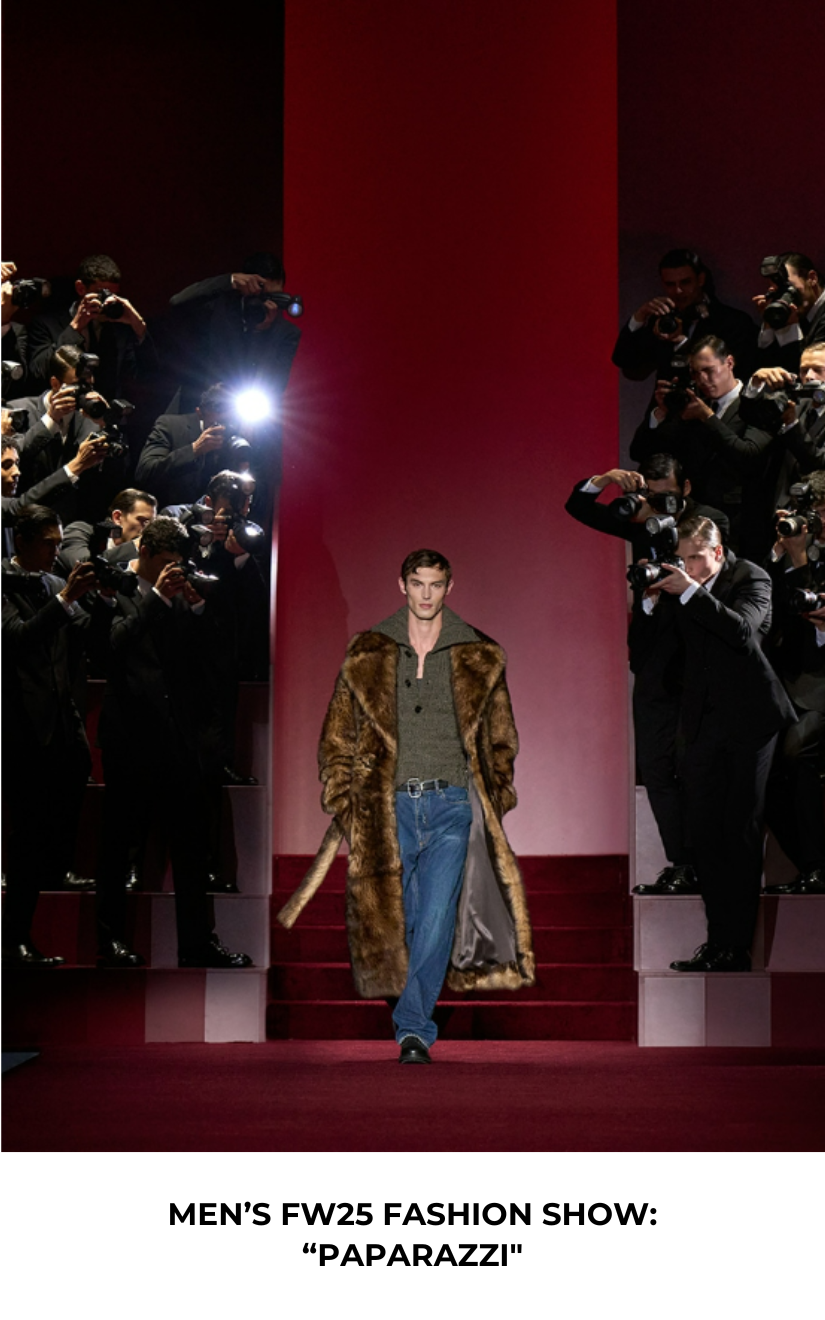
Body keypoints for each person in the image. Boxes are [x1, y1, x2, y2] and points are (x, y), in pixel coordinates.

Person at [277, 548, 535, 1063]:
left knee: (437, 917)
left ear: (449, 587)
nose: (425, 594)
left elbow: (501, 739)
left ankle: (413, 1029)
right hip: (388, 808)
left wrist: (495, 796)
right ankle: (412, 1012)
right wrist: (345, 801)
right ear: (402, 586)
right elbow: (337, 736)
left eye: (435, 584)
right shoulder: (368, 652)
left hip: (452, 806)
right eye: (417, 583)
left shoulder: (479, 655)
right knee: (409, 922)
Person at [637, 516, 796, 971]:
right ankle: (718, 940)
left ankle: (736, 947)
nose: (687, 566)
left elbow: (743, 632)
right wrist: (649, 603)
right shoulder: (678, 588)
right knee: (704, 832)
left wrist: (691, 591)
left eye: (696, 557)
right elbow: (649, 653)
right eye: (682, 558)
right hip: (702, 723)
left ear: (718, 552)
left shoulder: (751, 577)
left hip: (752, 720)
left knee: (740, 829)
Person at [565, 453, 728, 895]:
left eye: (667, 495)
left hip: (698, 665)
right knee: (655, 768)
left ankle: (709, 860)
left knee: (694, 766)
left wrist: (662, 525)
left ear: (686, 488)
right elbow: (578, 508)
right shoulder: (641, 522)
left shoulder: (709, 523)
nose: (659, 504)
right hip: (654, 661)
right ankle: (682, 864)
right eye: (652, 496)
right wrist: (605, 480)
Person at [95, 515, 252, 967]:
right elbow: (110, 647)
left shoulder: (182, 593)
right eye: (165, 561)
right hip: (129, 737)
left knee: (191, 845)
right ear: (144, 552)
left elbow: (210, 660)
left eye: (177, 563)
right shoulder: (117, 587)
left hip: (178, 737)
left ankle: (197, 943)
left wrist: (199, 609)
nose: (172, 570)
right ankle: (110, 942)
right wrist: (158, 599)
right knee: (118, 845)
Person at [2, 505, 108, 962]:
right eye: (48, 543)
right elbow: (16, 637)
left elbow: (86, 634)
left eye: (59, 543)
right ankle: (14, 938)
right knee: (25, 833)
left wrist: (103, 600)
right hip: (19, 725)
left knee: (66, 791)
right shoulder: (5, 581)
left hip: (61, 721)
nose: (55, 551)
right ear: (22, 541)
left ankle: (52, 870)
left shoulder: (52, 584)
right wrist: (65, 598)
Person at [630, 335, 776, 559]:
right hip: (695, 522)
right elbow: (640, 452)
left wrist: (708, 417)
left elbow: (748, 456)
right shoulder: (692, 405)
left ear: (729, 363)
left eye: (709, 370)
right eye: (696, 373)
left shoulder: (756, 403)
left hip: (741, 522)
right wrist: (661, 413)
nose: (703, 380)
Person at [763, 471, 825, 895]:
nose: (816, 521)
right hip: (787, 682)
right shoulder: (797, 548)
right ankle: (811, 866)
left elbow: (812, 606)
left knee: (797, 754)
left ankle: (816, 866)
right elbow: (771, 609)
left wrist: (801, 561)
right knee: (762, 775)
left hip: (816, 684)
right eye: (813, 512)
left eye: (822, 512)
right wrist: (780, 553)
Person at [168, 252, 301, 411]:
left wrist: (260, 334)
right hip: (199, 407)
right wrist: (229, 280)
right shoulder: (217, 310)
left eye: (275, 297)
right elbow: (177, 302)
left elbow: (275, 386)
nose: (268, 303)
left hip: (249, 415)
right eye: (263, 296)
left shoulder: (286, 333)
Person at [612, 247, 757, 391]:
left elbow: (734, 375)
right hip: (664, 404)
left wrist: (682, 343)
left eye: (685, 282)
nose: (678, 291)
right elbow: (624, 362)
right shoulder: (664, 321)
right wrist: (639, 317)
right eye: (670, 284)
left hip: (708, 404)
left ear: (700, 279)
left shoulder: (733, 321)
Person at [26, 253, 152, 403]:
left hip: (103, 411)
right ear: (80, 288)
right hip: (61, 408)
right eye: (101, 294)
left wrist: (139, 326)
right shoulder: (46, 324)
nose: (106, 302)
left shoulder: (118, 330)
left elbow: (147, 375)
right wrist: (74, 329)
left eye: (112, 295)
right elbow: (38, 372)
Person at [754, 252, 825, 374]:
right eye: (779, 291)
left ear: (812, 278)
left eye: (789, 288)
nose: (785, 296)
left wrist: (789, 328)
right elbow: (768, 368)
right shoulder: (795, 313)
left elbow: (806, 373)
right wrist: (770, 324)